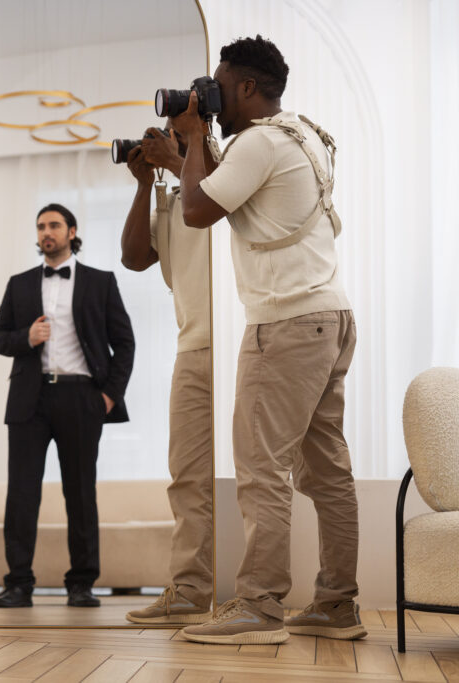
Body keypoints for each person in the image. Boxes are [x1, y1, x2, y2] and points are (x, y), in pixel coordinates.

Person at [170, 35, 364, 644]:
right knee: (326, 471)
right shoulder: (303, 134)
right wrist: (188, 147)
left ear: (248, 87)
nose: (211, 95)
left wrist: (196, 134)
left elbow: (197, 211)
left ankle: (259, 605)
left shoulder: (255, 143)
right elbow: (213, 194)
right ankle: (337, 603)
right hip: (329, 316)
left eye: (219, 85)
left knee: (261, 469)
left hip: (284, 326)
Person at [0, 203, 135, 608]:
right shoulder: (19, 284)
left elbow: (125, 343)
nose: (46, 232)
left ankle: (81, 584)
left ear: (72, 231)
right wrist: (26, 337)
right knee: (21, 495)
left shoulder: (101, 282)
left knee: (80, 494)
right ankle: (18, 583)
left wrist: (107, 396)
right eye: (40, 227)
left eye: (54, 225)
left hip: (81, 398)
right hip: (29, 401)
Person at [119, 127, 214, 625]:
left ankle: (261, 597)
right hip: (192, 345)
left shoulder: (224, 176)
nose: (166, 143)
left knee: (262, 476)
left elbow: (225, 208)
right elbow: (135, 258)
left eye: (179, 136)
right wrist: (142, 184)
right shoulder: (173, 199)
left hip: (241, 338)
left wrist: (179, 161)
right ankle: (190, 591)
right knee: (187, 477)